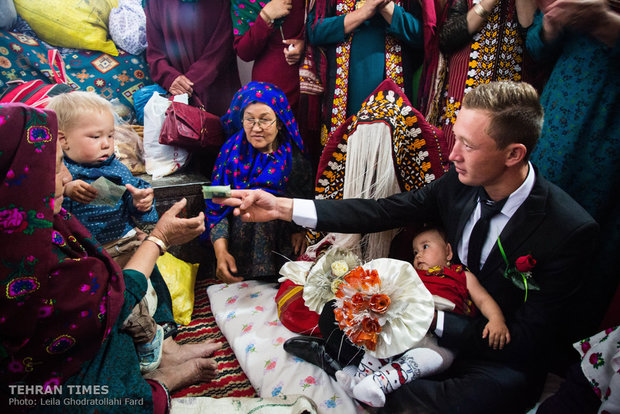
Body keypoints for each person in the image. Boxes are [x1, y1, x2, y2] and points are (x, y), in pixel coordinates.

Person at [216, 81, 599, 413]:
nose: (452, 155)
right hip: (424, 327)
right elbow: (380, 211)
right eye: (455, 139)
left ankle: (350, 370)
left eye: (468, 145)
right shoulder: (459, 183)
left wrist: (424, 318)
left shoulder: (568, 230)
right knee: (338, 310)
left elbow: (529, 342)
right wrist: (282, 207)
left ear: (513, 154)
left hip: (493, 354)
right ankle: (362, 370)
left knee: (429, 403)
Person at [0, 103, 220, 413]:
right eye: (58, 165)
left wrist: (143, 207)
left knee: (149, 289)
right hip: (40, 389)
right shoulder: (36, 254)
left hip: (119, 251)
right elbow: (112, 302)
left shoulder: (44, 220)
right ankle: (157, 379)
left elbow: (132, 212)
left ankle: (165, 347)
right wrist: (159, 238)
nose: (65, 177)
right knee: (109, 390)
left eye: (110, 136)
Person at [340, 224, 510, 407]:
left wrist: (496, 319)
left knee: (435, 359)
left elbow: (483, 299)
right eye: (415, 252)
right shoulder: (413, 275)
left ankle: (379, 382)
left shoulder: (462, 276)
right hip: (406, 328)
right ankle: (359, 378)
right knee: (381, 338)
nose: (419, 255)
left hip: (440, 338)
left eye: (425, 247)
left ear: (448, 252)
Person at [526, 0, 620, 326]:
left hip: (608, 129)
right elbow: (537, 48)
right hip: (556, 121)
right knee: (533, 217)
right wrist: (551, 24)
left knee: (589, 237)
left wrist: (605, 23)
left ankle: (563, 350)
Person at [205, 82, 314, 284]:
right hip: (240, 244)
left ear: (279, 122)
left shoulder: (293, 156)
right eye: (249, 120)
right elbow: (215, 201)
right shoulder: (229, 152)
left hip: (281, 242)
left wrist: (301, 230)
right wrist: (221, 252)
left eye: (265, 120)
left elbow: (305, 196)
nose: (256, 128)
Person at [47, 91, 158, 268]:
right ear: (63, 140)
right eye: (96, 137)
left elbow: (125, 198)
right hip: (74, 252)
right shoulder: (56, 170)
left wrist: (140, 202)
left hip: (121, 244)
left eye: (110, 135)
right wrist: (67, 190)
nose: (106, 144)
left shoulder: (115, 169)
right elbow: (40, 205)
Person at [425, 0, 538, 149]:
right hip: (464, 92)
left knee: (504, 152)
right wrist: (487, 4)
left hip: (509, 98)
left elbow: (534, 43)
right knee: (458, 156)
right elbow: (447, 37)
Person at [306, 0, 424, 141]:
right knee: (344, 152)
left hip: (391, 91)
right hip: (344, 92)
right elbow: (315, 30)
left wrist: (387, 8)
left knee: (388, 153)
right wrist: (362, 13)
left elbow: (422, 35)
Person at [144, 0, 240, 117]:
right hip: (175, 92)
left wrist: (188, 84)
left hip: (216, 89)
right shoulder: (155, 2)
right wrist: (170, 78)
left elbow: (221, 48)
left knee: (219, 131)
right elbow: (155, 53)